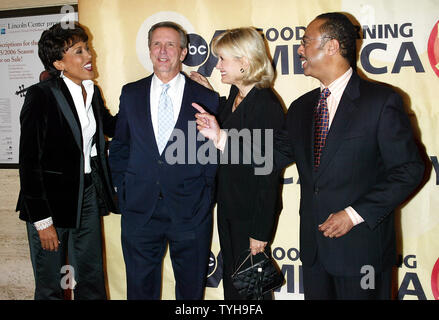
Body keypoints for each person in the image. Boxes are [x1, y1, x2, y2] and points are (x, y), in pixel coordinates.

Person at [195, 13, 425, 300]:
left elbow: (409, 170)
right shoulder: (302, 108)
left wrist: (354, 215)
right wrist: (220, 138)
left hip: (362, 252)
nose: (299, 50)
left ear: (331, 46)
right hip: (315, 254)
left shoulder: (380, 101)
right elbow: (271, 155)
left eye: (305, 42)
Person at [108, 21, 219, 300]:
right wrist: (123, 187)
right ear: (149, 50)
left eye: (171, 44)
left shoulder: (206, 98)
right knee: (140, 291)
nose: (163, 51)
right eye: (157, 44)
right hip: (139, 210)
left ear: (183, 53)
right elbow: (121, 144)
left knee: (191, 293)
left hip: (190, 211)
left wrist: (204, 194)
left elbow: (213, 153)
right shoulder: (131, 93)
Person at [16, 22, 118, 300]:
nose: (89, 56)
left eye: (87, 48)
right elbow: (29, 161)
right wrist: (42, 222)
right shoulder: (41, 95)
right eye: (79, 51)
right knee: (52, 285)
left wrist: (145, 98)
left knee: (92, 277)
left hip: (86, 195)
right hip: (49, 201)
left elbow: (114, 127)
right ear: (59, 63)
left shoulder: (92, 91)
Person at [191, 27, 284, 300]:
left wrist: (260, 232)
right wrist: (210, 94)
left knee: (251, 293)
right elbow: (234, 125)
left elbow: (268, 175)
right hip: (230, 208)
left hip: (251, 217)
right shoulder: (237, 95)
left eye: (223, 59)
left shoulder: (266, 105)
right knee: (235, 290)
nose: (217, 65)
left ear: (244, 62)